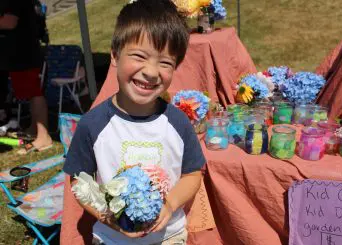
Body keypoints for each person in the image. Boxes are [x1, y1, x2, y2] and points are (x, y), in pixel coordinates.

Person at [62, 0, 204, 244]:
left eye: (165, 62)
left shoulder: (178, 122)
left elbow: (193, 174)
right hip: (111, 238)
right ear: (115, 55)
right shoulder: (93, 125)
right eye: (139, 56)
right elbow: (79, 182)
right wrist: (107, 217)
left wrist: (170, 205)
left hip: (169, 237)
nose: (151, 71)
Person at [0, 0, 52, 153]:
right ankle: (34, 128)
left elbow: (9, 22)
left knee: (35, 93)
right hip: (16, 56)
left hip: (25, 54)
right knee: (30, 94)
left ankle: (44, 137)